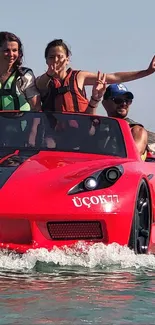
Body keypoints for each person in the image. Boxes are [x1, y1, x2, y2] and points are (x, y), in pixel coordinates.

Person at [36, 38, 155, 113]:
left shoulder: (79, 77)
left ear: (67, 59)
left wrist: (146, 72)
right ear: (46, 60)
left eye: (60, 56)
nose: (56, 60)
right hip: (54, 137)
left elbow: (114, 77)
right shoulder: (42, 81)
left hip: (80, 132)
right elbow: (39, 85)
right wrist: (49, 75)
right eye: (51, 57)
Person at [101, 83, 148, 159]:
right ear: (104, 103)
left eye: (127, 101)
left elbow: (134, 156)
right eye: (118, 100)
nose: (124, 104)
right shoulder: (100, 127)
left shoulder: (136, 130)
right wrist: (94, 100)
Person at [0, 31, 41, 111]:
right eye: (6, 50)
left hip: (21, 123)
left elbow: (36, 108)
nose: (11, 54)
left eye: (14, 50)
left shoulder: (25, 76)